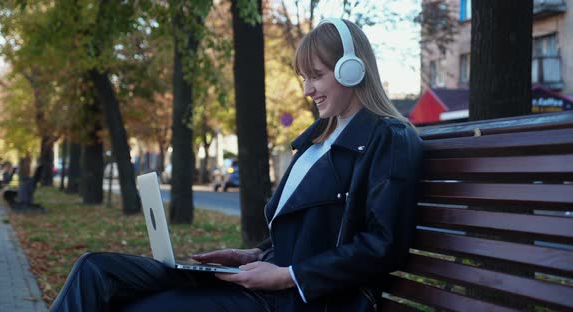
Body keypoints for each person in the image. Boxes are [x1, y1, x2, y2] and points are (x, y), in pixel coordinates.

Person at [49, 18, 422, 312]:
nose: (307, 90)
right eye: (304, 78)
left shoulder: (387, 138)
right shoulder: (317, 141)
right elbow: (304, 232)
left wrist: (289, 275)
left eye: (317, 75)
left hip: (302, 299)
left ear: (352, 70)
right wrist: (255, 255)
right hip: (267, 283)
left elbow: (384, 244)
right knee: (94, 269)